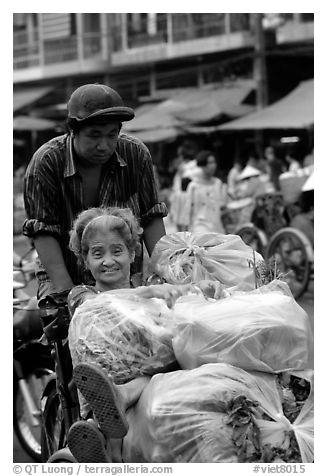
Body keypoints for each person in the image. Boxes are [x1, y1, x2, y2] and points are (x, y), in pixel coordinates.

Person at [66, 206, 225, 463]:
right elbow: (101, 305)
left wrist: (198, 289)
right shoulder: (82, 294)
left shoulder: (150, 287)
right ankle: (106, 435)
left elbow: (176, 309)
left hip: (150, 375)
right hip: (106, 379)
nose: (108, 261)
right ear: (85, 261)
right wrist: (150, 294)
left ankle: (119, 407)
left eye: (117, 251)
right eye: (97, 254)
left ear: (132, 252)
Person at [23, 83, 168, 300]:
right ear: (73, 131)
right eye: (94, 135)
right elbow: (43, 232)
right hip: (62, 274)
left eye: (112, 135)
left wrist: (165, 275)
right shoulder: (46, 162)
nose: (104, 145)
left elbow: (151, 217)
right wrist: (71, 296)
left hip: (121, 274)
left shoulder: (136, 154)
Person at [183, 150, 227, 233]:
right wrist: (185, 231)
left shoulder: (218, 183)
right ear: (202, 165)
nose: (213, 165)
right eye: (210, 163)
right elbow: (188, 209)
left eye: (214, 162)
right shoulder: (193, 186)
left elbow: (222, 206)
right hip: (200, 226)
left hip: (217, 226)